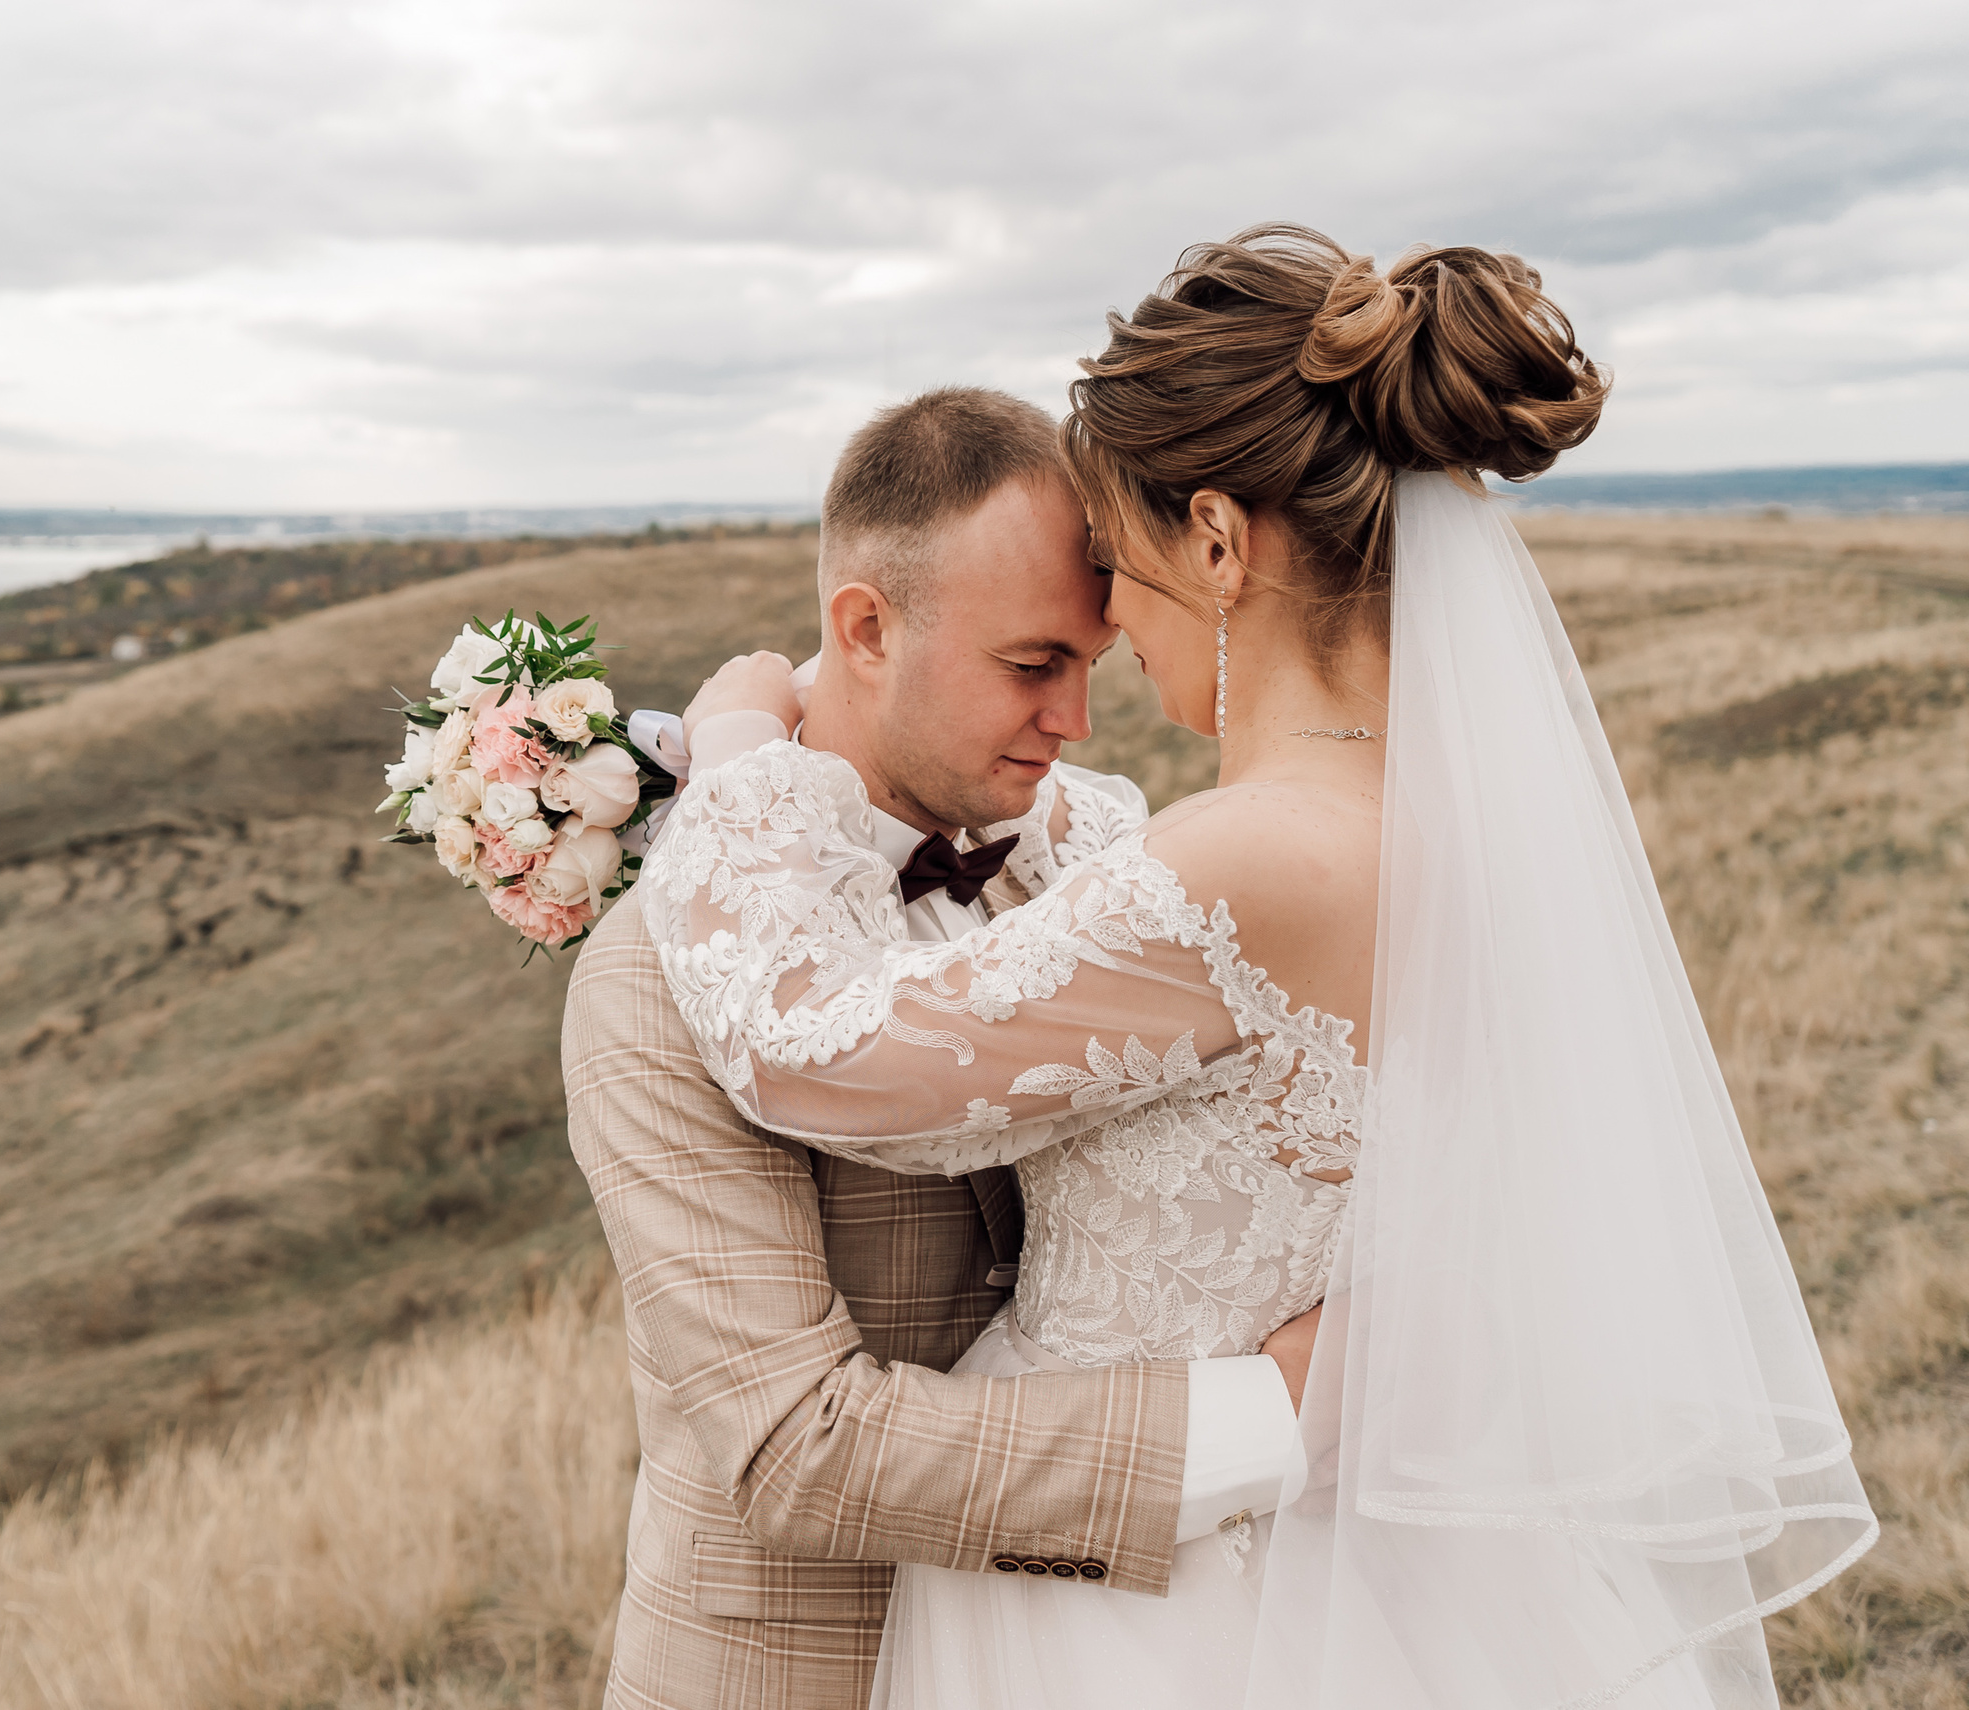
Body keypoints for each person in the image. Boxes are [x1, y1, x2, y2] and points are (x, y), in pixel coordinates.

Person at [647, 228, 1875, 1709]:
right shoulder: (1446, 819)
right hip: (1389, 1577)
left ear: (1219, 542)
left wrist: (742, 762)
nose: (1110, 622)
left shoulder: (1246, 862)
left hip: (1166, 1613)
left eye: (1117, 562)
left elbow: (817, 1053)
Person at [563, 386, 1319, 1710]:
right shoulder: (657, 973)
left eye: (1093, 664)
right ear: (866, 628)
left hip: (1087, 1661)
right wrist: (1274, 1412)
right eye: (1032, 665)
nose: (1076, 721)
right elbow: (799, 1448)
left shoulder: (1093, 874)